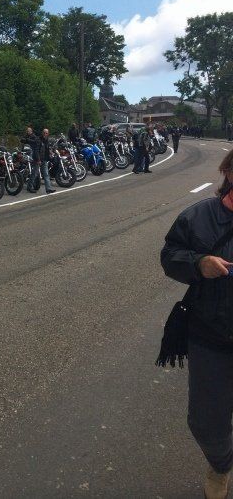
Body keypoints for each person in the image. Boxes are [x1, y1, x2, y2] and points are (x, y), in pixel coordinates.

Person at [160, 150, 233, 499]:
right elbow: (169, 255)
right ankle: (221, 465)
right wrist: (199, 263)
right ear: (228, 171)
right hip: (210, 336)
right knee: (205, 422)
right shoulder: (199, 216)